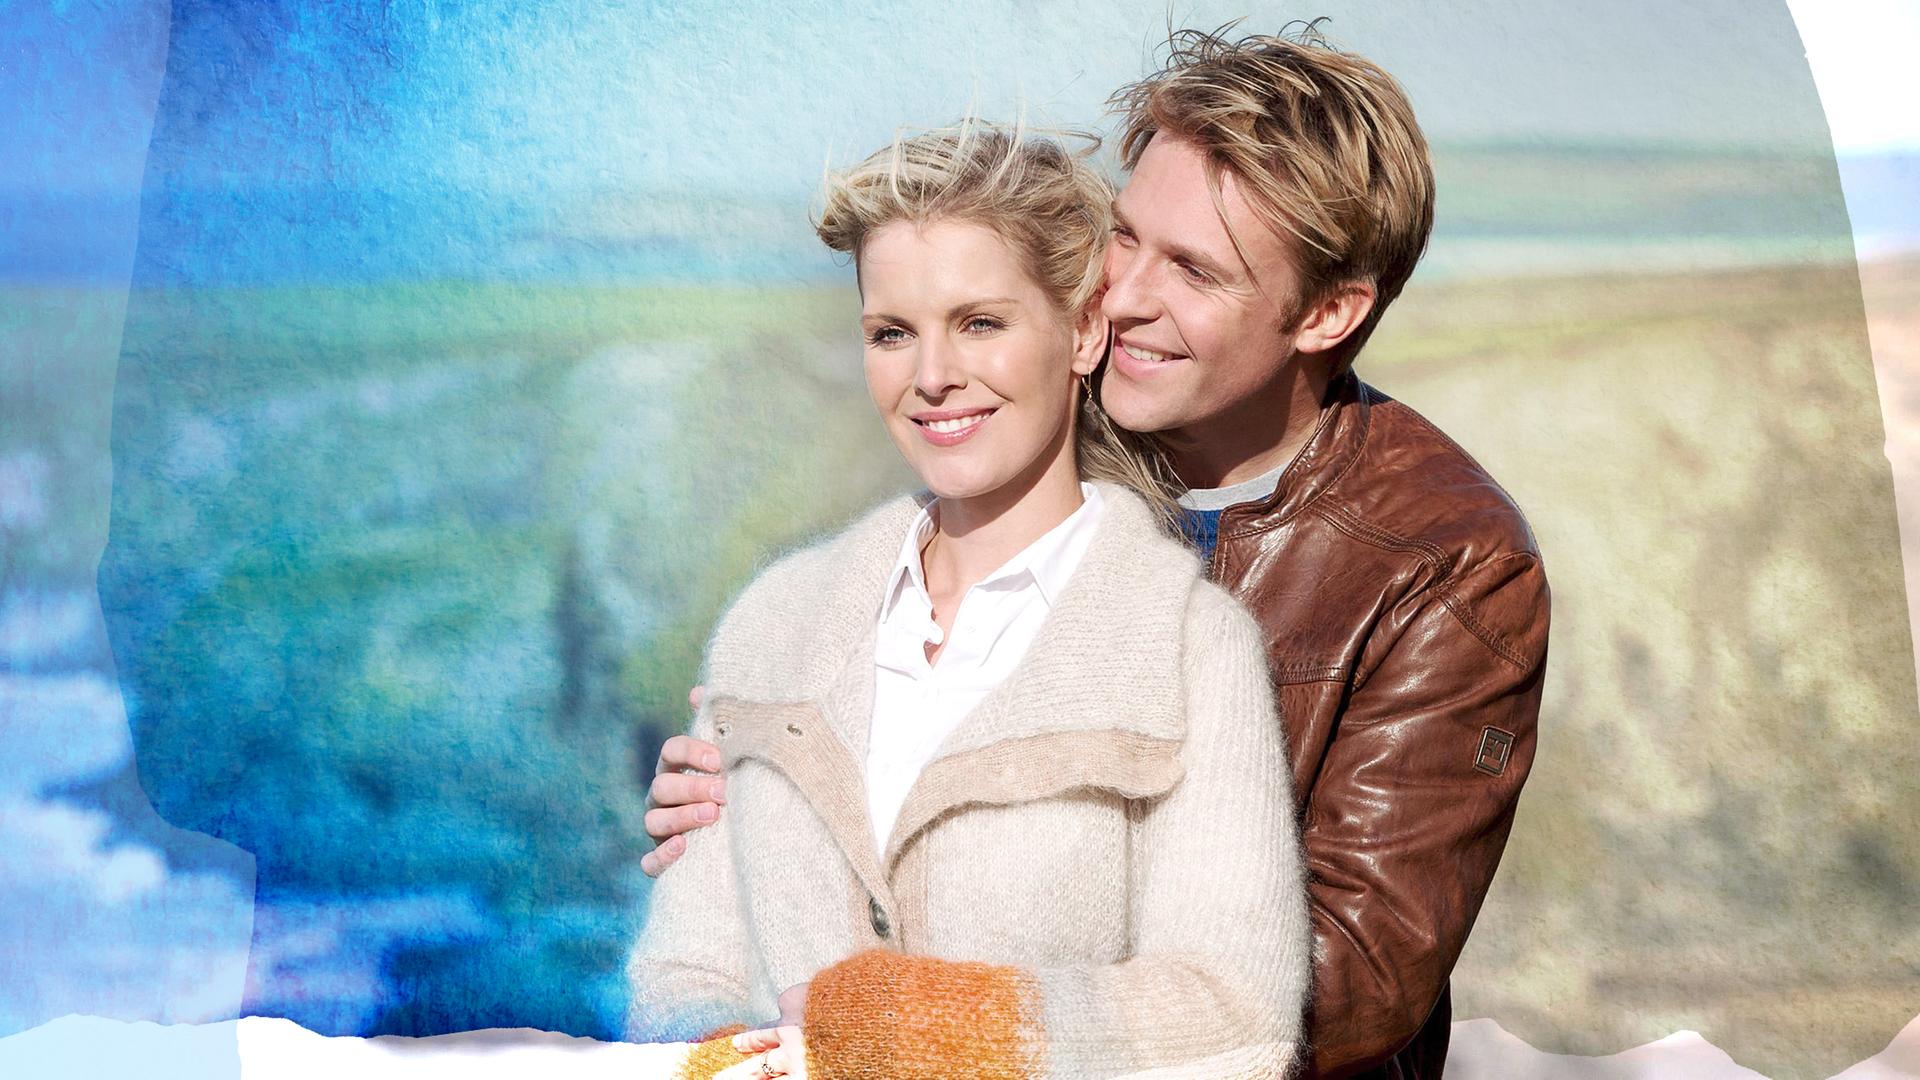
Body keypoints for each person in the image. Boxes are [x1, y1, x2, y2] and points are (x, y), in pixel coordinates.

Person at [643, 25, 1552, 1080]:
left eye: (1194, 270)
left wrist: (923, 1009)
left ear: (1328, 312)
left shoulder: (1452, 566)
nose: (1121, 296)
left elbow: (1345, 980)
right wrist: (767, 806)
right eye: (1125, 237)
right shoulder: (1039, 422)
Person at [625, 122, 1312, 1079]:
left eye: (980, 322)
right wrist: (725, 1062)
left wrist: (910, 1027)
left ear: (1083, 332)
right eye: (891, 333)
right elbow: (682, 976)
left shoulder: (1192, 647)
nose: (932, 376)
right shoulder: (774, 622)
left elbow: (1237, 1017)